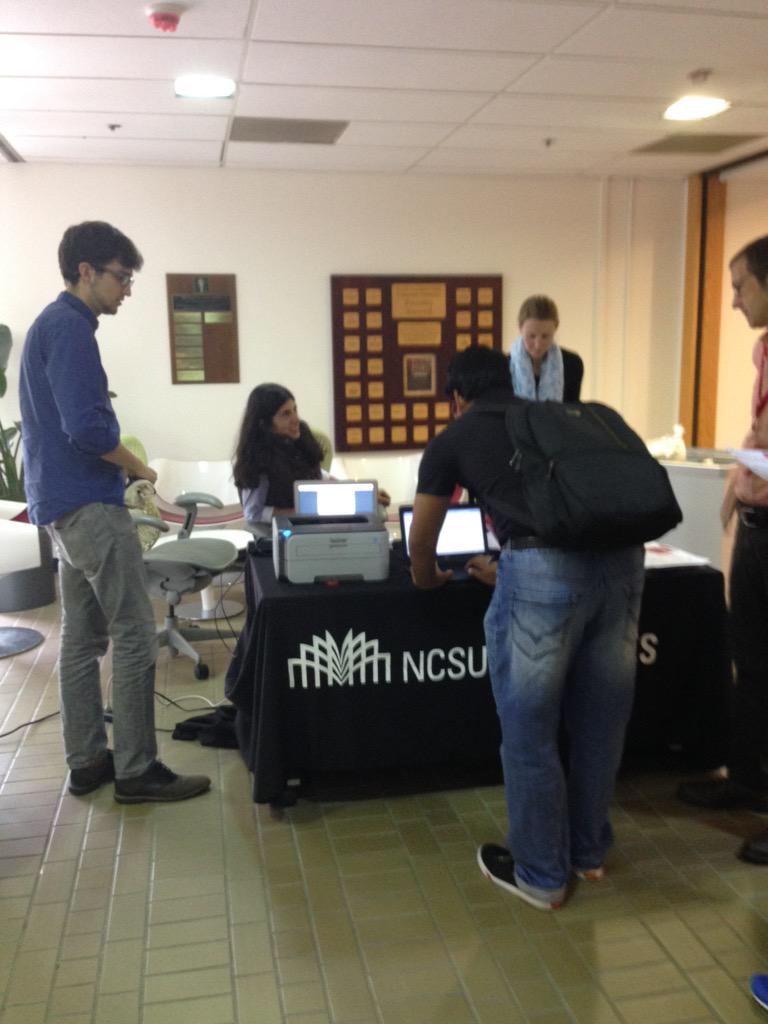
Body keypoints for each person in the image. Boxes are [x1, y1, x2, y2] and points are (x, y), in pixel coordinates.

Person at [408, 345, 643, 910]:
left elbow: (423, 534)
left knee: (529, 730)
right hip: (625, 564)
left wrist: (427, 578)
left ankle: (540, 874)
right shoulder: (557, 417)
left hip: (542, 569)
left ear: (457, 395)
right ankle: (587, 856)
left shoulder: (456, 437)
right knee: (600, 722)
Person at [19, 220, 210, 804]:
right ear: (86, 272)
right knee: (132, 633)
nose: (127, 289)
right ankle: (136, 769)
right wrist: (137, 465)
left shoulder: (45, 327)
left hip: (57, 504)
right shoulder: (73, 331)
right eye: (122, 278)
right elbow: (87, 428)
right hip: (90, 505)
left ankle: (87, 762)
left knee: (80, 639)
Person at [677, 236, 768, 864]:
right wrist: (740, 485)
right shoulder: (766, 351)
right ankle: (746, 778)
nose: (733, 300)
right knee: (751, 663)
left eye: (741, 286)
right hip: (759, 526)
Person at [232, 383, 328, 526]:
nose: (296, 419)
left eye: (295, 410)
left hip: (310, 526)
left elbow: (313, 472)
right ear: (265, 423)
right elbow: (254, 513)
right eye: (286, 414)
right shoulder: (257, 457)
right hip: (276, 533)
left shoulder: (302, 437)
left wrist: (341, 485)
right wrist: (302, 513)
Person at [509, 294, 583, 402]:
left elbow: (572, 411)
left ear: (555, 328)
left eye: (545, 336)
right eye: (531, 336)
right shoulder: (504, 365)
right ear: (520, 328)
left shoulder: (572, 364)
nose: (538, 344)